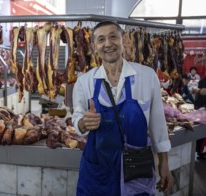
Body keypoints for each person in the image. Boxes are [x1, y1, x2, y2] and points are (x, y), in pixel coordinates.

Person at [72, 21, 173, 195]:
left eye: (113, 37)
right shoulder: (84, 82)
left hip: (136, 169)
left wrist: (164, 164)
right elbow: (77, 121)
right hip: (98, 171)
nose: (108, 44)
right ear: (95, 47)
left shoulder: (146, 76)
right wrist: (84, 123)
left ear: (123, 39)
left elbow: (158, 125)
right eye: (101, 39)